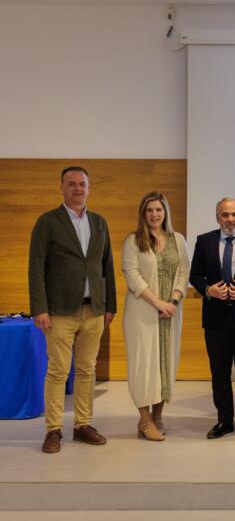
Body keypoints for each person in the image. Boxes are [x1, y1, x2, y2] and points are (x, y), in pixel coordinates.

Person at [29, 166, 117, 454]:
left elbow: (107, 266)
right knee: (57, 371)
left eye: (82, 184)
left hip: (94, 310)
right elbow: (36, 267)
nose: (78, 188)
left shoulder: (99, 222)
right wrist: (40, 308)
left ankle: (82, 425)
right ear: (62, 188)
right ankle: (53, 429)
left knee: (86, 370)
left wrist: (110, 305)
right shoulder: (47, 222)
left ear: (89, 188)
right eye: (72, 184)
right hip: (58, 310)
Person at [190, 197, 235, 441]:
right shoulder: (204, 241)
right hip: (215, 318)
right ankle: (224, 420)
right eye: (225, 214)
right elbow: (195, 275)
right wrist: (208, 290)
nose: (230, 219)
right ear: (217, 217)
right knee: (219, 371)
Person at [121, 192, 190, 441]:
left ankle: (157, 416)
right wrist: (159, 303)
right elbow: (132, 277)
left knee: (164, 364)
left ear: (165, 212)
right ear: (143, 213)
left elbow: (183, 272)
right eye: (149, 210)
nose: (154, 214)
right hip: (142, 312)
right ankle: (145, 419)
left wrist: (173, 302)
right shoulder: (133, 241)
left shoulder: (178, 239)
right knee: (143, 366)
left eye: (158, 209)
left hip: (171, 312)